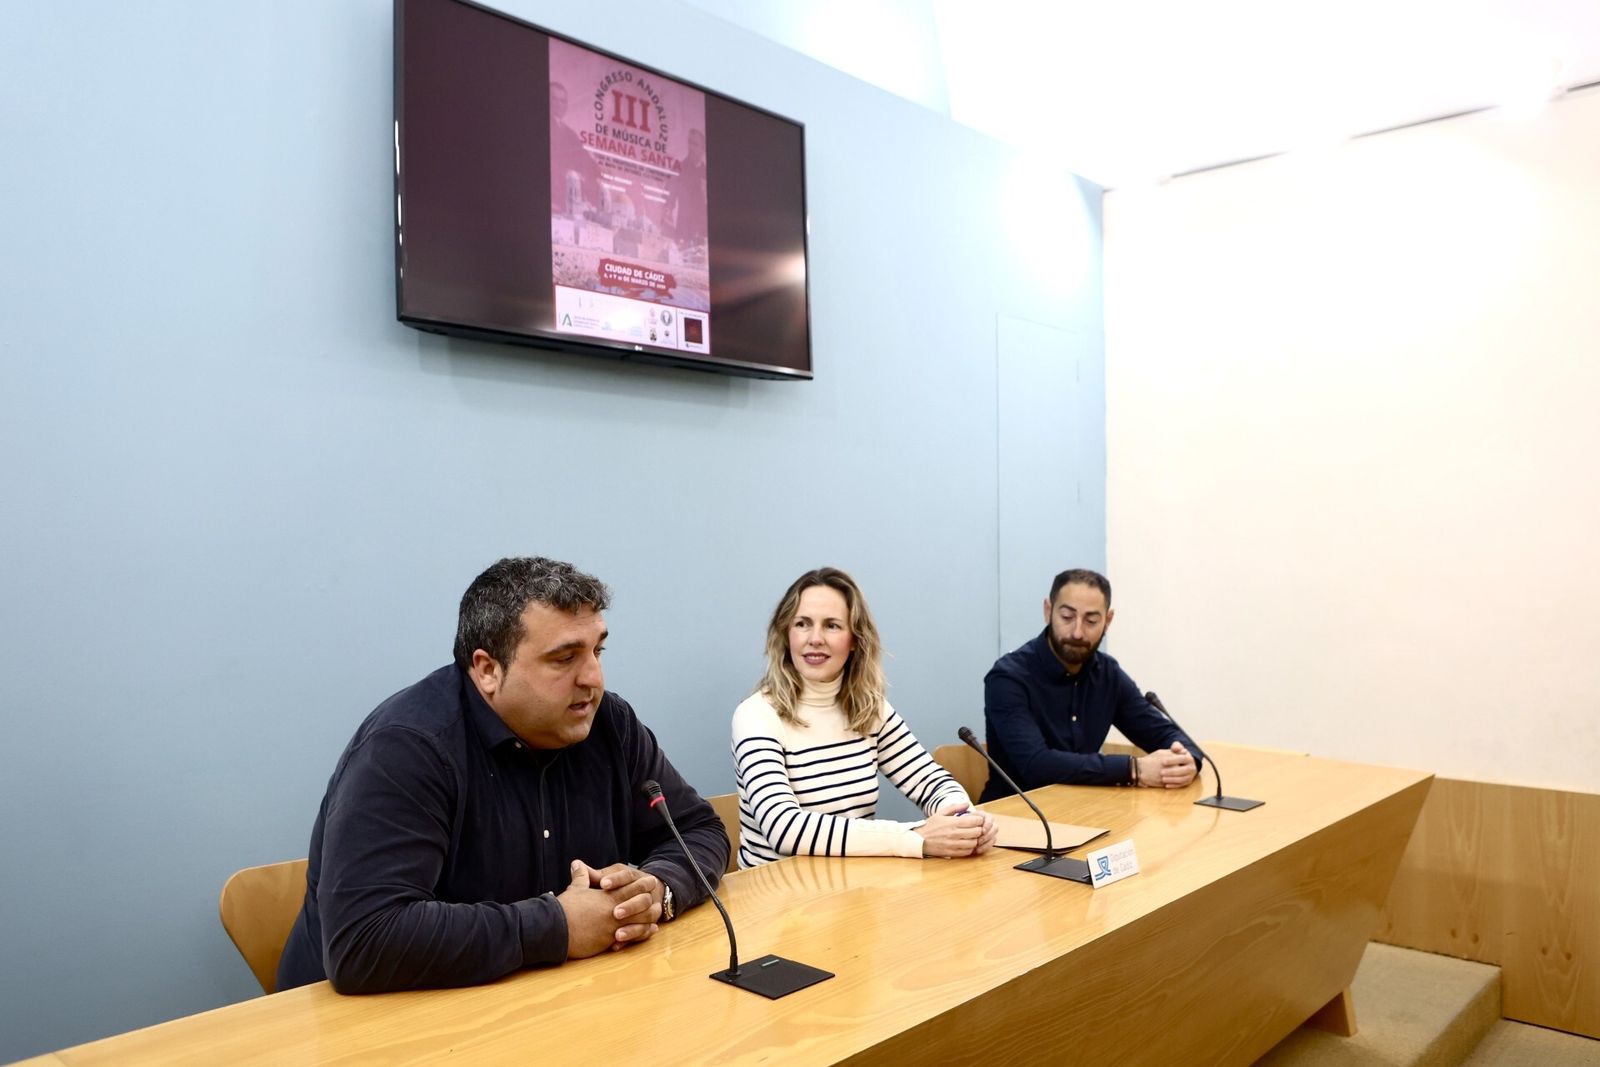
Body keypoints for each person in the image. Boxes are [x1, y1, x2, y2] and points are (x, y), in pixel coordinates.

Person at [277, 557, 728, 994]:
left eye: (597, 650)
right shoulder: (408, 747)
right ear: (488, 670)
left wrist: (657, 889)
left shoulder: (609, 724)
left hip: (545, 1002)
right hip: (368, 1029)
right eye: (564, 658)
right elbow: (364, 939)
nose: (593, 677)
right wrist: (559, 926)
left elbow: (698, 829)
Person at [732, 567, 998, 866]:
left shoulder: (870, 709)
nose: (815, 638)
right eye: (803, 624)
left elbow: (930, 781)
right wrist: (916, 837)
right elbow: (784, 829)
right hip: (778, 899)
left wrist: (963, 820)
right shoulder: (756, 715)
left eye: (832, 626)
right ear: (785, 633)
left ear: (855, 639)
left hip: (854, 890)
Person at [980, 568, 1206, 801]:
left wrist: (1188, 761)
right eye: (1067, 617)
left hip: (1086, 811)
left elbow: (1163, 733)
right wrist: (1134, 770)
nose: (1077, 632)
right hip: (1015, 817)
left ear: (1107, 621)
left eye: (1091, 620)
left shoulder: (1108, 674)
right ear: (1048, 611)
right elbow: (1036, 765)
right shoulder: (1008, 678)